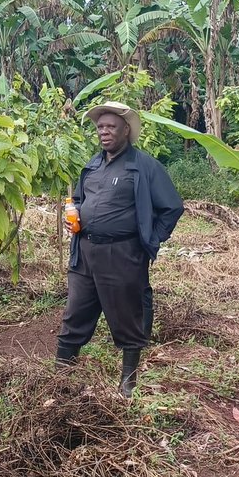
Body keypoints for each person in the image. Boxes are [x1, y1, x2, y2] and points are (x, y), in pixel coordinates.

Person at [55, 102, 184, 397]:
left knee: (128, 315)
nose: (104, 132)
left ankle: (127, 383)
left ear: (126, 130)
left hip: (123, 255)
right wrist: (73, 217)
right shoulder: (92, 164)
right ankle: (61, 379)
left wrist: (150, 240)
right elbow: (77, 199)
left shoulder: (144, 166)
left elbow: (172, 207)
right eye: (100, 127)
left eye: (111, 126)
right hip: (84, 254)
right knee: (75, 314)